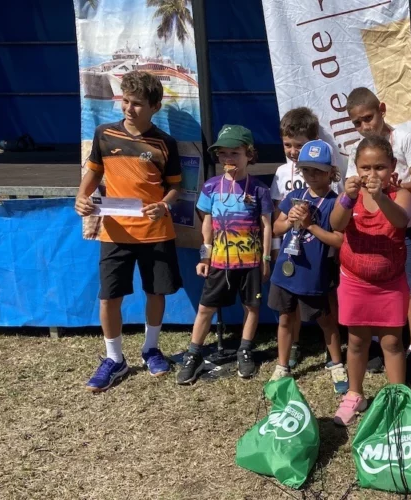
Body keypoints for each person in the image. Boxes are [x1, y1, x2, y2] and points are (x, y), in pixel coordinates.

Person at [75, 70, 183, 392]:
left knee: (156, 292)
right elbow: (92, 176)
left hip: (156, 232)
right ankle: (114, 359)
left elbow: (176, 188)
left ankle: (151, 348)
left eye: (137, 103)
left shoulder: (166, 143)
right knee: (109, 297)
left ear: (155, 106)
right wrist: (81, 197)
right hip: (114, 233)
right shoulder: (104, 134)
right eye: (125, 101)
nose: (128, 108)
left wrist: (164, 205)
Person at [175, 125, 273, 385]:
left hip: (251, 262)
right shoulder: (211, 187)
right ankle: (193, 353)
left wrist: (266, 259)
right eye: (223, 154)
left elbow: (267, 226)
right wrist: (204, 257)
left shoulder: (260, 189)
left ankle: (245, 348)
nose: (228, 159)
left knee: (252, 306)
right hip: (219, 261)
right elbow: (206, 224)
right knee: (206, 308)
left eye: (235, 153)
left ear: (249, 154)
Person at [330, 136, 411, 426]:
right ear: (355, 168)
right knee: (356, 341)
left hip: (390, 283)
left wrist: (380, 197)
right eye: (365, 167)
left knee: (392, 342)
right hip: (355, 281)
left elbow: (401, 221)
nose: (371, 174)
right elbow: (336, 224)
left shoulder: (401, 194)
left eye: (379, 167)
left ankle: (396, 399)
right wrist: (346, 197)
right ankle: (355, 394)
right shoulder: (350, 195)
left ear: (392, 167)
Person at [345, 87, 411, 373]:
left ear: (381, 109)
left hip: (403, 222)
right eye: (357, 123)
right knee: (374, 285)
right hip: (370, 229)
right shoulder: (357, 150)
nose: (364, 126)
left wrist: (395, 188)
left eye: (368, 118)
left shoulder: (402, 138)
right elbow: (350, 190)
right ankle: (382, 348)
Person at [269, 140, 348, 394]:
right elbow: (276, 227)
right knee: (284, 319)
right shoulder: (293, 197)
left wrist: (310, 225)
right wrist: (289, 219)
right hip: (286, 270)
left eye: (318, 170)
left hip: (313, 274)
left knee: (326, 321)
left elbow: (339, 240)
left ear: (331, 173)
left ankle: (336, 364)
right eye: (307, 170)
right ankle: (282, 366)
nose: (312, 176)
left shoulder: (335, 203)